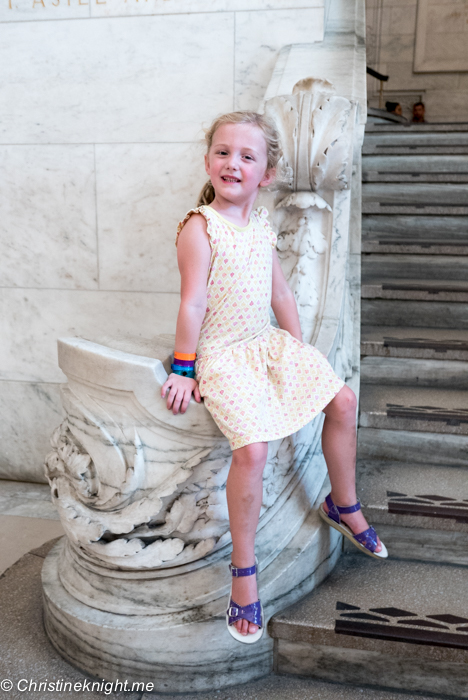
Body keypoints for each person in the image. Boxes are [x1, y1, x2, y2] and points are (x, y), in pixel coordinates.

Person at [161, 111, 387, 645]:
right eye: (223, 152)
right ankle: (244, 571)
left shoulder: (261, 224)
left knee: (344, 399)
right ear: (208, 160)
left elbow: (280, 294)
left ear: (266, 173)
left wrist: (299, 354)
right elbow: (192, 303)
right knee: (254, 449)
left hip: (263, 343)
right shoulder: (200, 226)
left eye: (246, 156)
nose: (232, 163)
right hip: (220, 353)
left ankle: (343, 503)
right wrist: (184, 367)